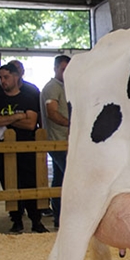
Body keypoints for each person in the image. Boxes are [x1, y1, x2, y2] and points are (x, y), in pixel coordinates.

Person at [0, 62, 48, 233]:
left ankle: (36, 220)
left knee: (30, 182)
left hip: (27, 146)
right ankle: (16, 220)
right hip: (4, 147)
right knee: (9, 183)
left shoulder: (28, 95)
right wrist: (18, 116)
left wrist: (6, 118)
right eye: (1, 77)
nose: (2, 81)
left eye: (6, 77)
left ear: (16, 76)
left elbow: (31, 124)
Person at [41, 55, 71, 227]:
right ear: (55, 68)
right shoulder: (52, 88)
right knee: (67, 177)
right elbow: (51, 113)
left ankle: (60, 217)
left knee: (60, 179)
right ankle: (61, 217)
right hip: (57, 139)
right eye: (63, 69)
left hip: (64, 140)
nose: (65, 73)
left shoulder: (64, 87)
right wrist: (72, 123)